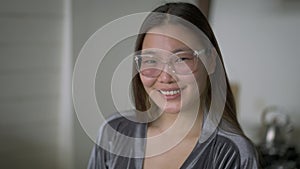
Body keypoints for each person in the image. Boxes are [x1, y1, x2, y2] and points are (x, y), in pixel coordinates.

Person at [88, 2, 260, 169]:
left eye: (181, 59)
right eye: (151, 61)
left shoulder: (233, 153)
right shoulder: (114, 133)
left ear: (210, 60)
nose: (165, 77)